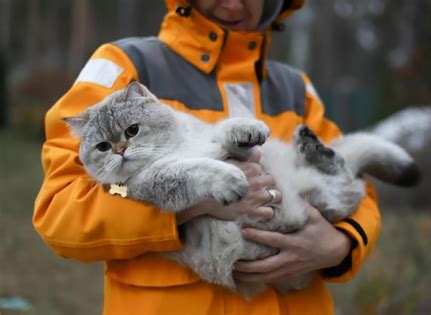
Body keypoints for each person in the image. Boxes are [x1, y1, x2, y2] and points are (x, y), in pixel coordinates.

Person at [33, 0, 381, 314]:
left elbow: (358, 182)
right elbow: (61, 209)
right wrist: (188, 207)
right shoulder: (126, 65)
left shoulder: (296, 87)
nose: (232, 5)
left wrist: (341, 244)